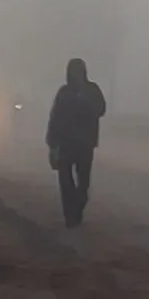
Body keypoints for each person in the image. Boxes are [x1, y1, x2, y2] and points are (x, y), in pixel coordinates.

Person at [46, 58, 106, 228]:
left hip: (85, 143)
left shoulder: (92, 90)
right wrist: (52, 144)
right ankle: (70, 216)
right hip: (65, 143)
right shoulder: (64, 93)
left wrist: (85, 102)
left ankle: (78, 206)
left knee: (83, 182)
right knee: (65, 181)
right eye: (73, 71)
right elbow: (55, 118)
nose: (76, 75)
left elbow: (101, 109)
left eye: (79, 71)